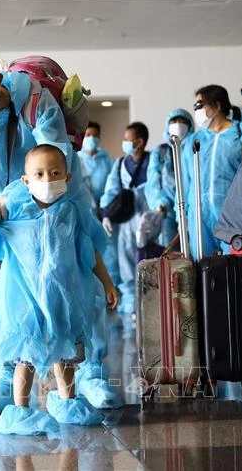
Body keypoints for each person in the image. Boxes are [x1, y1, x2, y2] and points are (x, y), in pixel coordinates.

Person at [0, 42, 120, 413]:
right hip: (4, 216)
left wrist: (16, 198)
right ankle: (5, 376)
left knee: (77, 287)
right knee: (2, 297)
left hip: (57, 199)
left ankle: (91, 373)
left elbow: (57, 155)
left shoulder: (34, 100)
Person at [0, 144, 117, 435]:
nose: (48, 179)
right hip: (24, 303)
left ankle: (68, 402)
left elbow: (90, 252)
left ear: (67, 177)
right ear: (26, 180)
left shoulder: (72, 214)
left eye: (55, 173)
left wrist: (107, 282)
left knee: (65, 354)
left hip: (63, 300)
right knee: (25, 357)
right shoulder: (15, 213)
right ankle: (20, 410)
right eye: (39, 174)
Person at [179, 86, 242, 258]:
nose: (196, 111)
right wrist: (182, 216)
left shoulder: (241, 134)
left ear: (216, 106)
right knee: (202, 264)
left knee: (234, 263)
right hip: (198, 214)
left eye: (199, 105)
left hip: (232, 213)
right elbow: (185, 181)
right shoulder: (194, 140)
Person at [100, 122, 150, 334]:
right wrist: (106, 214)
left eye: (129, 140)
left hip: (149, 217)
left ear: (140, 142)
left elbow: (160, 186)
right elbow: (111, 189)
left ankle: (151, 304)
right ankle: (131, 305)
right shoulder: (120, 164)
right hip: (127, 220)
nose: (126, 143)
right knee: (127, 261)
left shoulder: (152, 161)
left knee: (150, 260)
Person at [77, 121, 119, 286]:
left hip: (106, 212)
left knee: (110, 251)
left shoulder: (107, 160)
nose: (91, 138)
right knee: (87, 250)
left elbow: (114, 184)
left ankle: (112, 289)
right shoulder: (77, 159)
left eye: (95, 135)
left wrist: (106, 209)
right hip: (85, 211)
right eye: (88, 135)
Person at [145, 109, 194, 247]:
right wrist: (160, 203)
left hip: (192, 210)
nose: (178, 125)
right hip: (167, 211)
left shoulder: (195, 148)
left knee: (197, 252)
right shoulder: (161, 151)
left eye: (182, 122)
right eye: (174, 121)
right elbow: (153, 181)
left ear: (190, 125)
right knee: (171, 253)